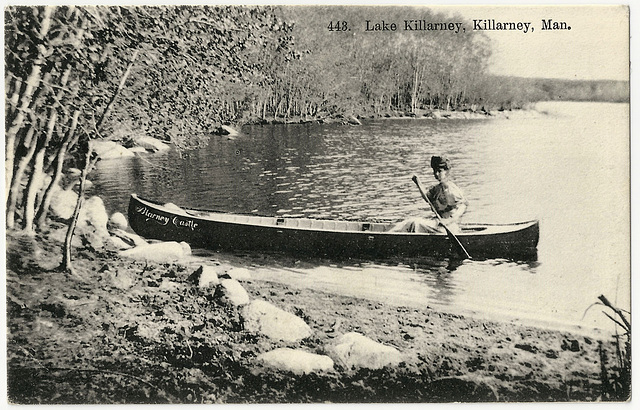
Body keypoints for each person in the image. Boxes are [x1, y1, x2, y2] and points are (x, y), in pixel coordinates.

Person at [390, 155, 467, 233]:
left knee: (414, 223)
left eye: (439, 171)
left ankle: (387, 235)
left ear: (446, 171)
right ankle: (389, 233)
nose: (436, 174)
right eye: (434, 171)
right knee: (408, 222)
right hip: (438, 224)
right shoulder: (438, 188)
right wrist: (418, 183)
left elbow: (463, 207)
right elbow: (427, 198)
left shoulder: (451, 189)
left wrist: (448, 221)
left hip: (448, 228)